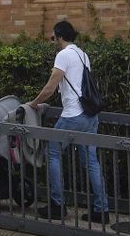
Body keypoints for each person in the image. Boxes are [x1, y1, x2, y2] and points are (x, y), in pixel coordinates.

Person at [27, 20, 109, 223]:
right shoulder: (83, 54)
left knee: (52, 153)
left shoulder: (63, 55)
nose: (52, 41)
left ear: (60, 37)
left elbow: (50, 86)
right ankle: (102, 210)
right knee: (91, 161)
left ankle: (57, 205)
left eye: (53, 38)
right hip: (90, 116)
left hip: (73, 116)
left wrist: (34, 103)